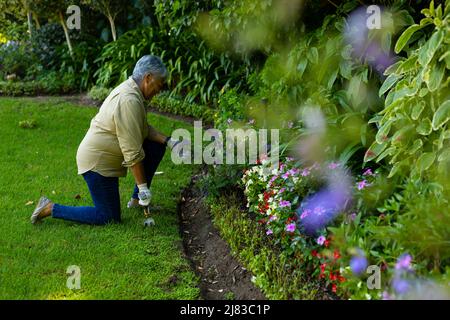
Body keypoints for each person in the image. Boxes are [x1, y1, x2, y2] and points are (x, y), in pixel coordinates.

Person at [30, 55, 181, 225]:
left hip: (106, 157)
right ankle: (50, 207)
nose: (159, 91)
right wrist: (143, 188)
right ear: (148, 78)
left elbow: (142, 128)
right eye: (159, 85)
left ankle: (137, 201)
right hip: (98, 164)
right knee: (108, 217)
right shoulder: (129, 99)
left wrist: (168, 141)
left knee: (156, 145)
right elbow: (132, 152)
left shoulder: (133, 92)